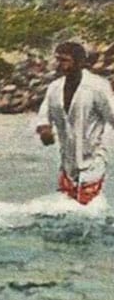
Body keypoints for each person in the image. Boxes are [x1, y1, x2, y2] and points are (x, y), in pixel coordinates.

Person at [35, 41, 114, 204]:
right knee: (68, 208)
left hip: (93, 159)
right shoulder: (54, 88)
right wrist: (44, 130)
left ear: (79, 62)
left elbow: (112, 116)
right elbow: (44, 116)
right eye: (57, 60)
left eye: (64, 60)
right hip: (67, 161)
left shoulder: (97, 86)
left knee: (89, 208)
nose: (59, 65)